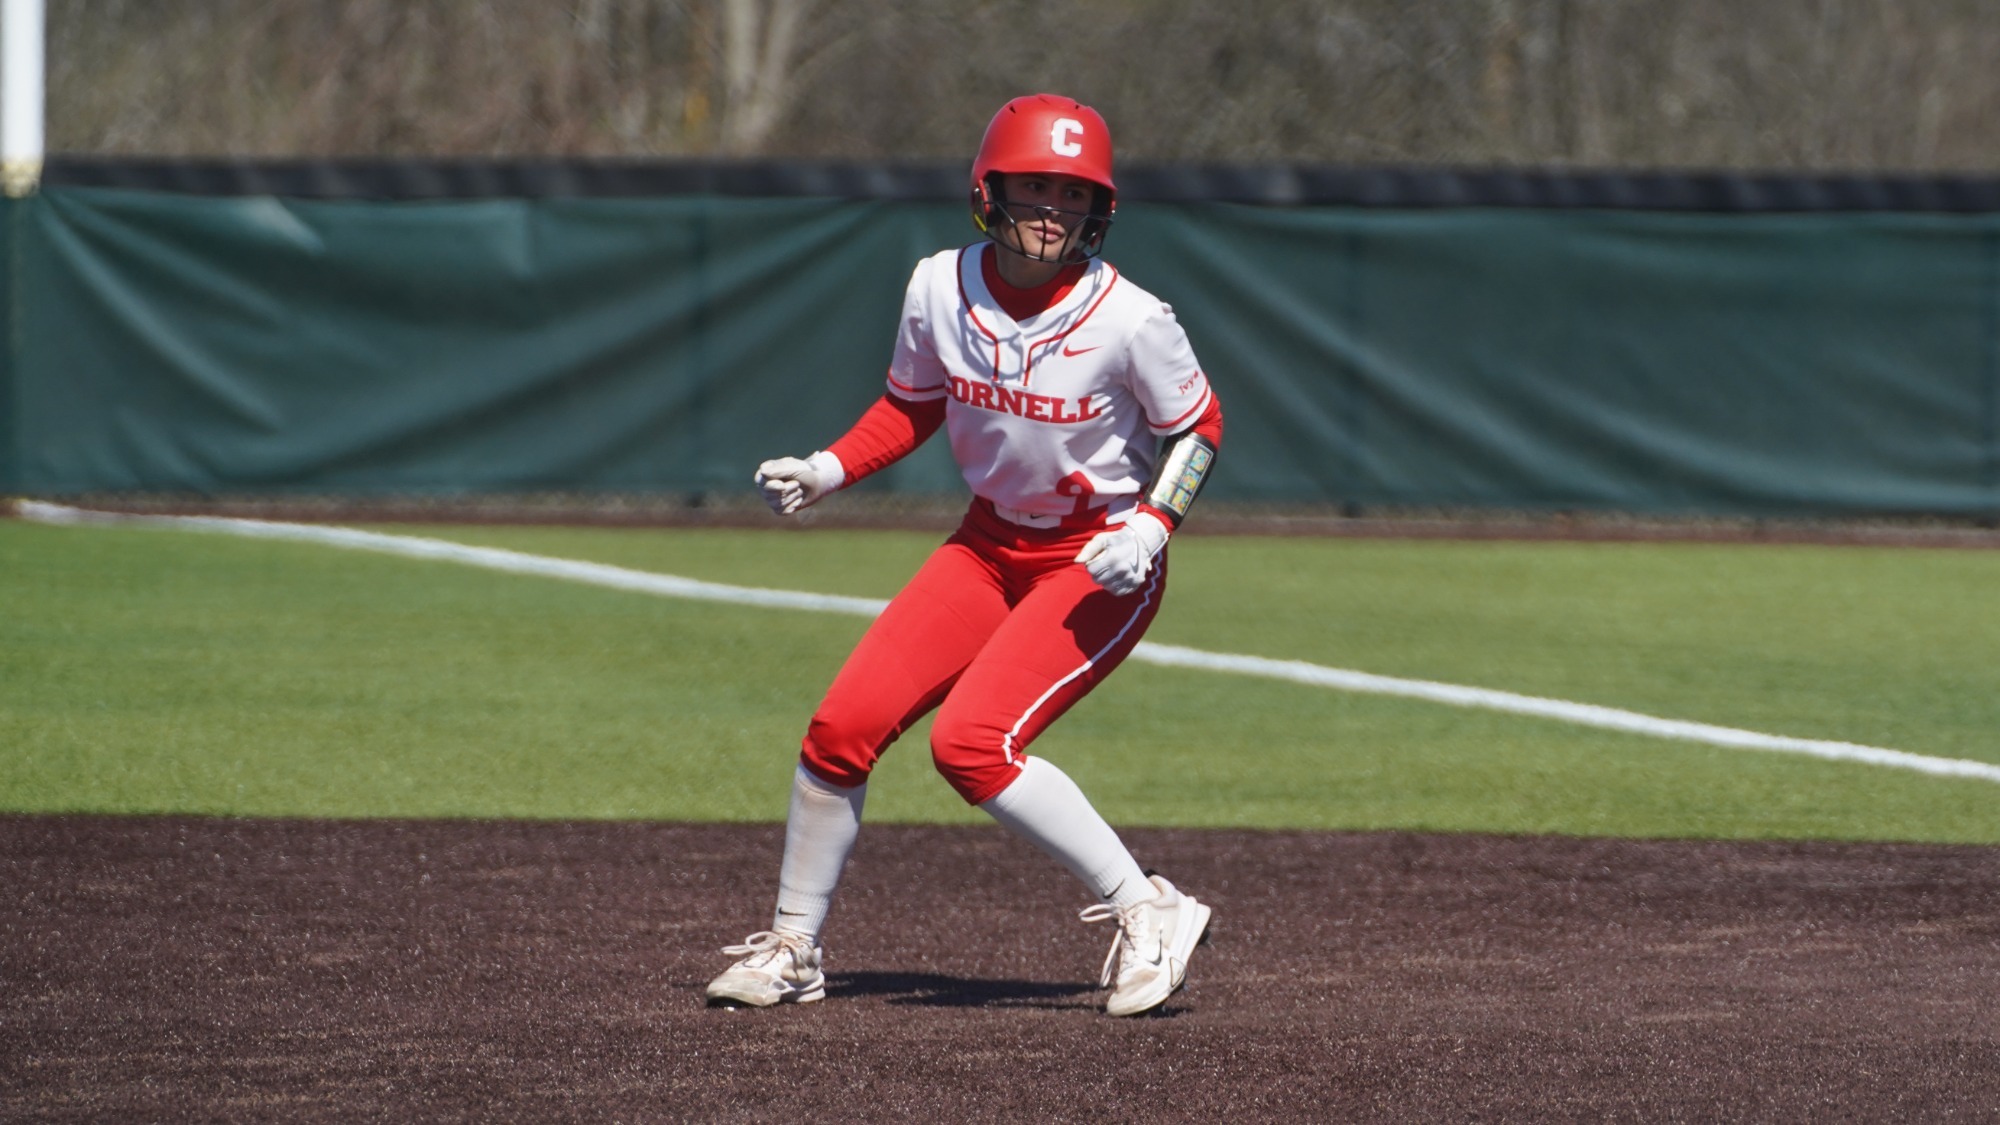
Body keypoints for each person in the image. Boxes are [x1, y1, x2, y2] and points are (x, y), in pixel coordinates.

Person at [705, 93, 1225, 1018]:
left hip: (1098, 556)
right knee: (838, 730)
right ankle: (794, 946)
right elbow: (912, 402)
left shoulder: (1134, 317)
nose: (1052, 210)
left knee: (973, 744)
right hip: (987, 543)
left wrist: (1150, 526)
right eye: (1035, 186)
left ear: (1099, 211)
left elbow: (1197, 430)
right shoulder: (938, 285)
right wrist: (829, 467)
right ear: (988, 190)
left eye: (1073, 195)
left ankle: (1151, 908)